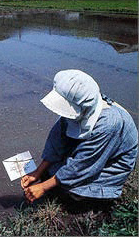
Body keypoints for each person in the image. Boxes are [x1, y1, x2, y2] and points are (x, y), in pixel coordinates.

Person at [21, 69, 138, 203]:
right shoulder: (77, 107)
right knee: (50, 173)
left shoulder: (109, 123)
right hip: (91, 154)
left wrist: (42, 187)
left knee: (73, 193)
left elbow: (83, 164)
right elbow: (56, 142)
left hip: (110, 163)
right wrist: (37, 172)